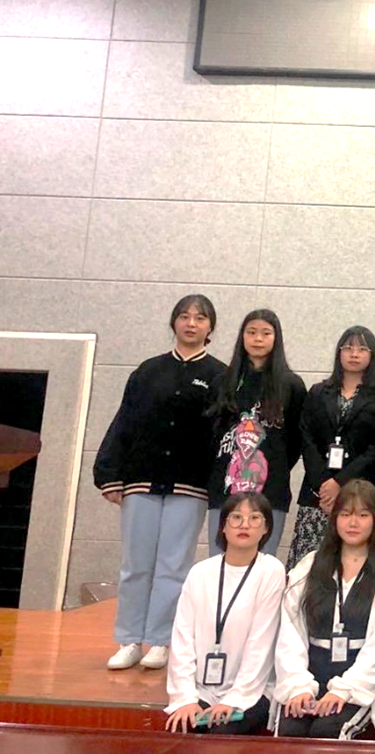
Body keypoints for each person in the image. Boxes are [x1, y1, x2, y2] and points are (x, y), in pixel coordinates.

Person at [94, 294, 226, 671]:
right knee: (135, 565)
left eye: (199, 318)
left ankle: (161, 640)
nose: (191, 323)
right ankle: (129, 639)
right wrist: (109, 474)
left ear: (210, 327)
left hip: (190, 486)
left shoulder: (220, 375)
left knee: (173, 566)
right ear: (173, 322)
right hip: (141, 481)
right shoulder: (148, 371)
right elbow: (124, 421)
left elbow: (222, 436)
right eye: (184, 316)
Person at [274, 479, 375, 738]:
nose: (353, 523)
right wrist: (298, 686)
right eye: (345, 514)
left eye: (362, 515)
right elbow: (289, 631)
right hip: (309, 676)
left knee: (326, 730)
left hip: (361, 683)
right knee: (290, 730)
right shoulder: (310, 564)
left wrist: (344, 690)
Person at [164, 492, 286, 735]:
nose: (244, 525)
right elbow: (182, 639)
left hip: (252, 691)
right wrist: (186, 697)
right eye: (236, 517)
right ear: (223, 526)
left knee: (221, 734)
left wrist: (234, 699)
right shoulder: (200, 573)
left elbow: (261, 644)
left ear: (266, 528)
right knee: (181, 729)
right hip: (202, 689)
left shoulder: (271, 571)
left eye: (254, 518)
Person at [289, 326, 375, 569]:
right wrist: (324, 484)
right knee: (309, 567)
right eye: (348, 348)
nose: (354, 354)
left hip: (361, 492)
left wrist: (340, 484)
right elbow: (306, 437)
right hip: (318, 494)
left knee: (356, 566)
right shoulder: (318, 392)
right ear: (339, 352)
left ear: (372, 355)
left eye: (362, 349)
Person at [207, 309, 306, 555]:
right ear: (242, 337)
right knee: (221, 562)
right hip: (224, 491)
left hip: (271, 491)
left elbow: (296, 442)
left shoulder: (291, 385)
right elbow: (211, 435)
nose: (258, 339)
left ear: (276, 338)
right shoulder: (222, 382)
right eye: (251, 332)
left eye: (265, 333)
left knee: (262, 565)